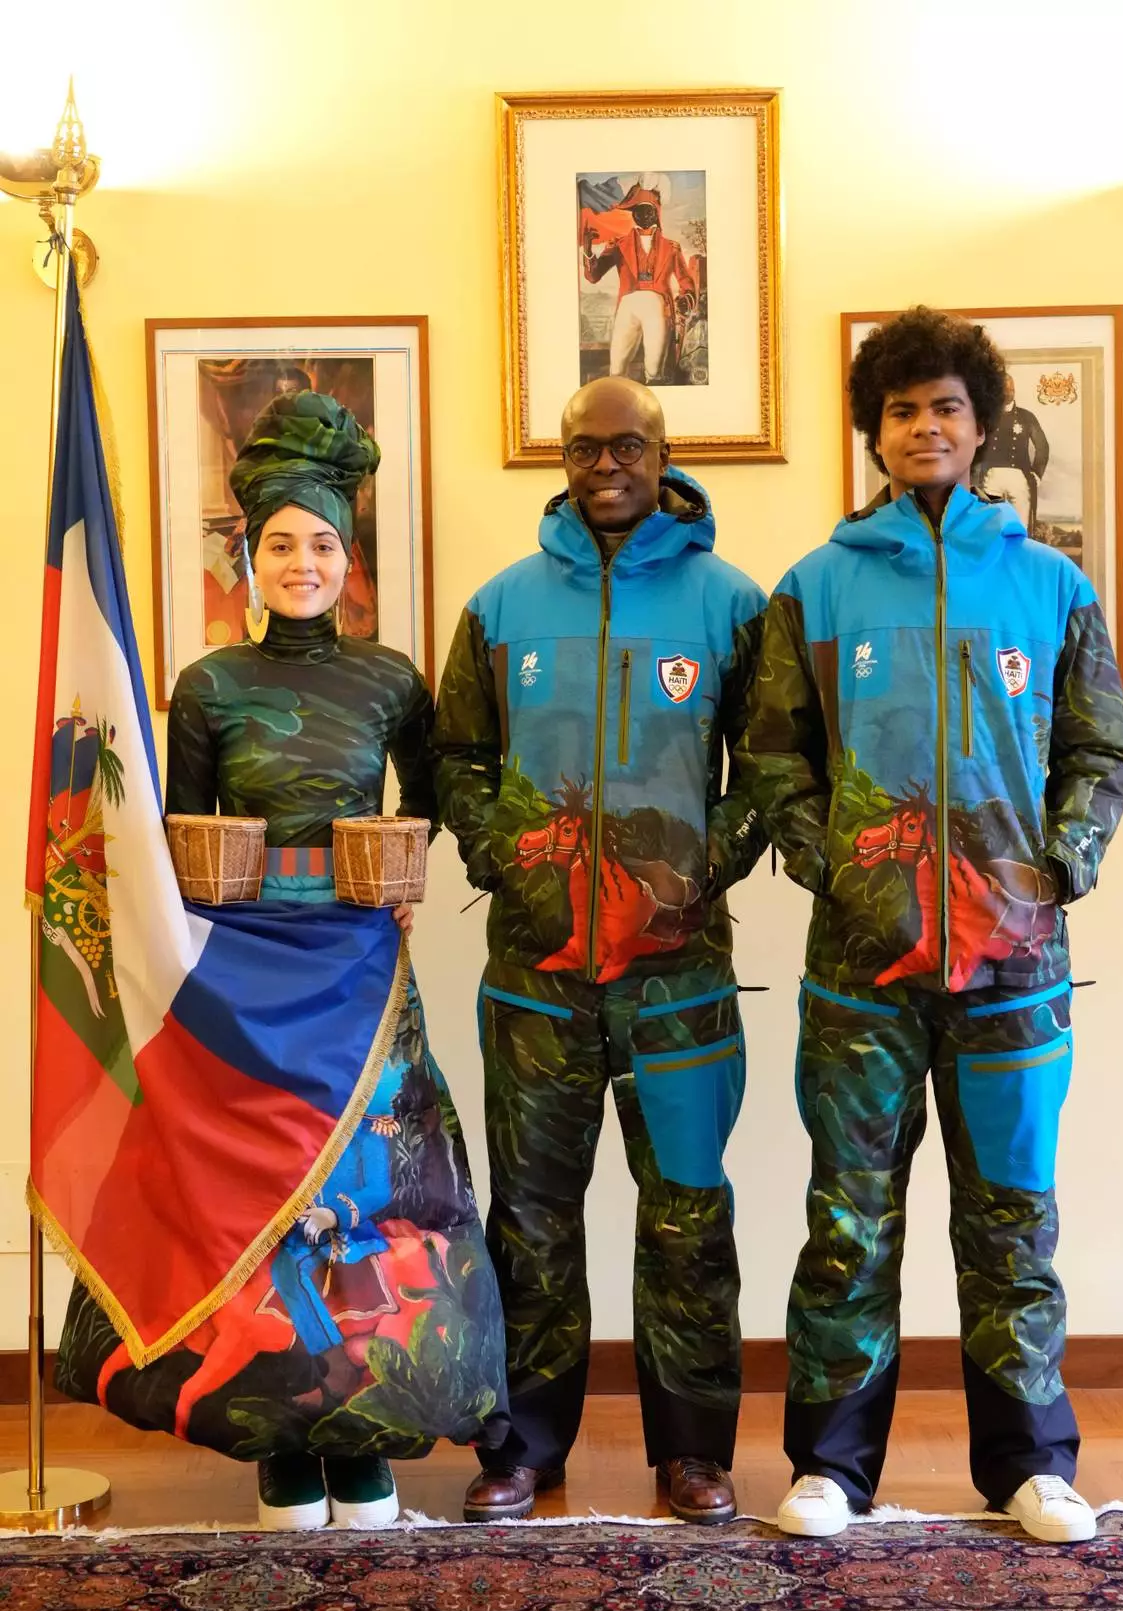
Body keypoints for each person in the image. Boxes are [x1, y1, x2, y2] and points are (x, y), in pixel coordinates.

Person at [55, 391, 508, 1529]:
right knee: (255, 1200)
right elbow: (189, 843)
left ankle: (366, 1441)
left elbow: (432, 800)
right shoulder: (208, 687)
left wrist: (400, 887)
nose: (301, 563)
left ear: (349, 560)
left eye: (320, 544)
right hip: (245, 972)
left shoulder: (394, 678)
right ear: (246, 559)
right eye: (278, 545)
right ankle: (278, 1446)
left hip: (360, 966)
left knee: (370, 1202)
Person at [740, 308, 1123, 1543]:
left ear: (981, 424)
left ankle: (1030, 1462)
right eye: (904, 408)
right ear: (875, 429)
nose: (927, 426)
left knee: (1013, 1213)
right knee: (847, 1217)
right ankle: (833, 1467)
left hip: (1016, 965)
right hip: (862, 968)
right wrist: (837, 873)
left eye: (948, 406)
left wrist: (1055, 871)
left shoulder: (1052, 583)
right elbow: (773, 760)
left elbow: (1101, 749)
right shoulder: (817, 585)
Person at [433, 376, 766, 1523]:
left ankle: (692, 1452)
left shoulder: (732, 605)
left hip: (682, 978)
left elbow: (769, 775)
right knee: (530, 1216)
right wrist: (508, 861)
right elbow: (455, 762)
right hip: (536, 977)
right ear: (561, 459)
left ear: (664, 451)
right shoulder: (500, 609)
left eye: (629, 445)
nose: (607, 464)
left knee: (688, 1211)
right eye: (585, 447)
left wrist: (693, 877)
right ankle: (523, 1445)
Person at [581, 177, 697, 383]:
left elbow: (685, 280)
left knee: (654, 371)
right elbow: (593, 276)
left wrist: (685, 298)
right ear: (633, 214)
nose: (643, 215)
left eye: (647, 210)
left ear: (656, 212)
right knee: (616, 370)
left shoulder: (671, 247)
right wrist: (589, 251)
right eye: (638, 210)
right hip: (628, 306)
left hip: (658, 308)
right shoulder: (618, 244)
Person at [977, 372, 1051, 531]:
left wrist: (1037, 474)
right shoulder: (985, 417)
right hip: (990, 477)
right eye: (1004, 389)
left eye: (1011, 388)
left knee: (1021, 526)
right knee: (989, 526)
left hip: (1019, 476)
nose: (1008, 392)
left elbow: (1042, 446)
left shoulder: (1027, 417)